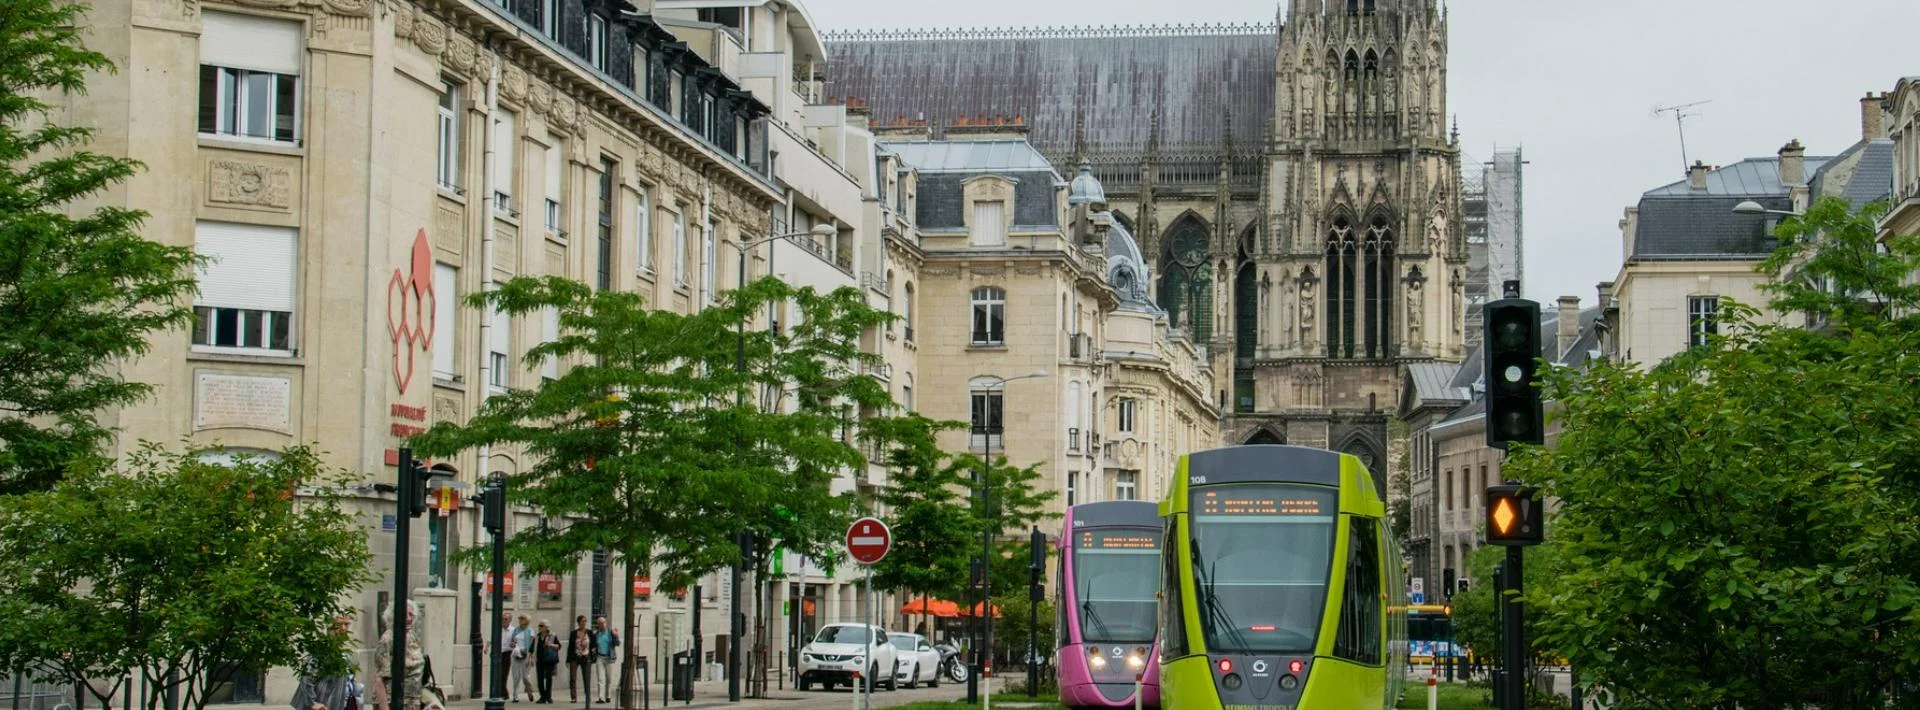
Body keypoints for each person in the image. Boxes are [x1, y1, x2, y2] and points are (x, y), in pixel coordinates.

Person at [292, 614, 361, 710]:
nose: (343, 628)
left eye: (346, 624)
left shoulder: (342, 653)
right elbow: (307, 677)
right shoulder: (323, 651)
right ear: (330, 627)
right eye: (339, 625)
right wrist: (313, 703)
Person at [372, 601, 425, 710]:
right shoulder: (388, 639)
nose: (409, 619)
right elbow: (379, 678)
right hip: (392, 701)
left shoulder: (412, 636)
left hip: (412, 702)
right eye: (405, 614)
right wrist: (384, 707)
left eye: (411, 614)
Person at [591, 616, 620, 704]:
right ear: (598, 625)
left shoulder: (610, 632)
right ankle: (601, 697)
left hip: (609, 658)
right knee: (601, 678)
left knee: (609, 678)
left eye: (603, 622)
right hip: (600, 657)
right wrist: (593, 649)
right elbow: (593, 644)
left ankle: (608, 696)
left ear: (606, 623)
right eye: (600, 623)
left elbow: (617, 643)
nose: (602, 625)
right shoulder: (596, 634)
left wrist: (615, 636)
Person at [567, 616, 593, 703]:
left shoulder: (589, 632)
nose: (583, 623)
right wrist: (568, 660)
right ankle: (573, 697)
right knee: (573, 677)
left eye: (585, 621)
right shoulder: (574, 633)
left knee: (586, 677)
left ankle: (587, 696)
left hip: (586, 657)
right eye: (582, 621)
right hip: (575, 657)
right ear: (578, 622)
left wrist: (593, 653)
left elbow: (593, 644)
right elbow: (570, 647)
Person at [534, 620, 561, 704]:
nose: (539, 627)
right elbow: (532, 648)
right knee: (540, 679)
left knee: (548, 678)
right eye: (539, 625)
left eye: (541, 626)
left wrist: (550, 644)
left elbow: (558, 646)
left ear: (546, 627)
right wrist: (530, 657)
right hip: (539, 660)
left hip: (549, 660)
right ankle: (542, 696)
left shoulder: (553, 635)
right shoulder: (537, 636)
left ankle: (548, 696)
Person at [513, 614, 536, 702]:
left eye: (522, 619)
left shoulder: (530, 631)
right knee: (516, 676)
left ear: (526, 621)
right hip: (516, 653)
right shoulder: (516, 630)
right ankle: (515, 696)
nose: (520, 620)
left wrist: (531, 657)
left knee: (525, 677)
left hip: (526, 654)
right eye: (519, 618)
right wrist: (513, 644)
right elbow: (513, 641)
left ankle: (529, 691)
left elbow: (532, 646)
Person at [498, 612, 520, 701]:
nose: (503, 621)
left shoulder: (513, 630)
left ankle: (504, 693)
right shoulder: (498, 629)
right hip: (498, 653)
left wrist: (513, 644)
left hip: (507, 653)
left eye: (506, 619)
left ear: (510, 620)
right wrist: (486, 647)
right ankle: (504, 693)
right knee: (498, 674)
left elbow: (517, 641)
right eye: (502, 619)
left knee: (503, 674)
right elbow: (490, 639)